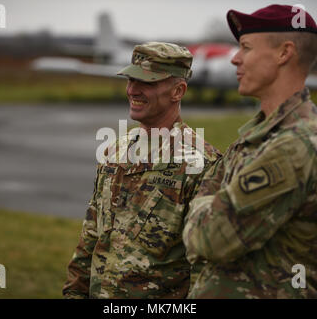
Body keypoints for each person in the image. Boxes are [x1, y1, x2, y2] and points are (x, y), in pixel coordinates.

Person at [183, 5, 317, 298]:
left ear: (284, 53)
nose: (235, 58)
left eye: (246, 48)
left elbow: (211, 240)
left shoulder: (298, 144)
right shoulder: (260, 135)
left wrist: (199, 207)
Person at [63, 42, 221, 298]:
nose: (132, 90)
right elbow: (90, 238)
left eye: (147, 83)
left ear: (178, 91)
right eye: (130, 80)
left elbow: (206, 269)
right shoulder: (115, 151)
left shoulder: (202, 164)